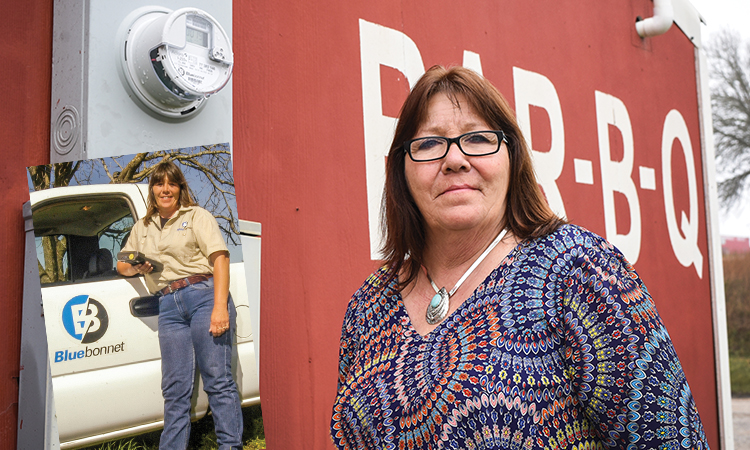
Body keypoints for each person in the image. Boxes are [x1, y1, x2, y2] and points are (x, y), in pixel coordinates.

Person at [330, 66, 708, 449]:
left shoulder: (578, 268)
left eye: (478, 138)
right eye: (429, 144)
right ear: (401, 168)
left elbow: (670, 438)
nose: (455, 159)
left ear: (512, 158)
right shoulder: (369, 307)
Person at [117, 160, 243, 450]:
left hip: (203, 296)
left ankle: (230, 446)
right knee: (174, 391)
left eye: (171, 184)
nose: (165, 189)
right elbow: (122, 264)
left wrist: (220, 307)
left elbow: (220, 259)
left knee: (218, 381)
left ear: (180, 188)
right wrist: (139, 267)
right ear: (152, 190)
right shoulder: (142, 227)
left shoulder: (197, 215)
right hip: (169, 307)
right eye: (159, 184)